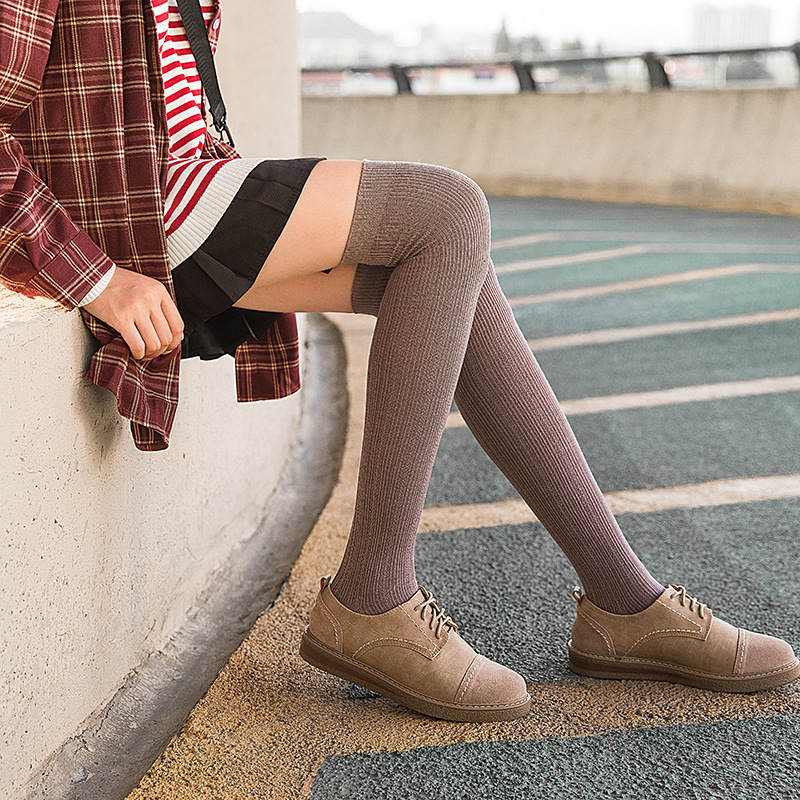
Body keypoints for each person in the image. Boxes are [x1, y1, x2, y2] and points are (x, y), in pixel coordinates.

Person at [2, 0, 797, 725]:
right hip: (140, 212)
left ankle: (625, 604)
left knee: (454, 267)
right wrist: (98, 277)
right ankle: (373, 596)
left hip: (181, 188)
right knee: (448, 210)